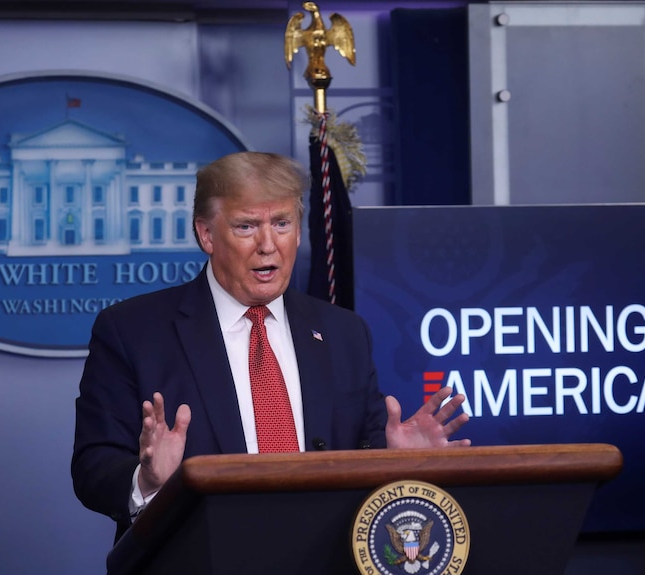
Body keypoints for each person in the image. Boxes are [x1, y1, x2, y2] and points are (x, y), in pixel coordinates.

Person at [71, 151, 470, 542]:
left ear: (299, 231)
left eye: (282, 223)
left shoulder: (343, 331)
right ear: (206, 234)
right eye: (246, 227)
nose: (268, 245)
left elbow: (358, 453)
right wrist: (148, 480)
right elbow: (93, 467)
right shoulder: (133, 331)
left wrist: (394, 463)